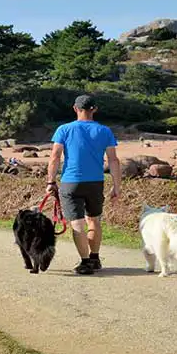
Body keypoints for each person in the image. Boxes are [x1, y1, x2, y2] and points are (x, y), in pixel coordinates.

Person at [46, 95, 122, 275]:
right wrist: (117, 186)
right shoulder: (105, 131)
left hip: (70, 182)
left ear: (75, 108)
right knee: (94, 220)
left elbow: (55, 157)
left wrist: (50, 182)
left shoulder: (64, 129)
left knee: (77, 223)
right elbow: (113, 160)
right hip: (95, 183)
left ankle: (85, 262)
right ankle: (95, 258)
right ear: (94, 109)